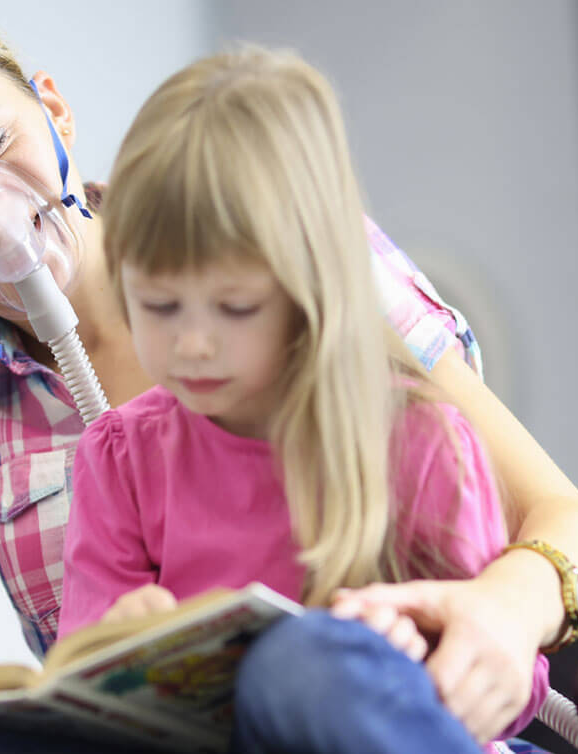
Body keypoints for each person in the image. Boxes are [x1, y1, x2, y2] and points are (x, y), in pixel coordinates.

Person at [0, 0, 578, 754]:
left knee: (300, 673)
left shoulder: (284, 249)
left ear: (53, 110)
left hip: (349, 707)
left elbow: (562, 520)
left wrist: (500, 612)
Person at [59, 46, 549, 754]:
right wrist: (112, 645)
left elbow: (507, 683)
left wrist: (415, 651)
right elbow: (75, 680)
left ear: (306, 293)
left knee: (303, 666)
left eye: (234, 307)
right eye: (159, 305)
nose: (193, 344)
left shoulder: (416, 439)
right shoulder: (119, 457)